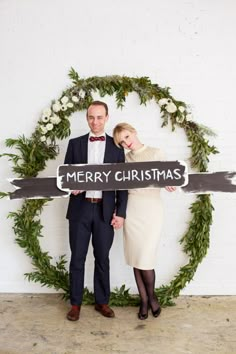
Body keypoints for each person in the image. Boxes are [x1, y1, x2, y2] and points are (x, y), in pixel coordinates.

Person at [64, 101, 128, 321]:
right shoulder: (74, 144)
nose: (96, 121)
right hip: (80, 210)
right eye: (92, 117)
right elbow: (66, 178)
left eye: (100, 117)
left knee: (102, 258)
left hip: (105, 212)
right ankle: (75, 304)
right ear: (86, 118)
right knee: (77, 259)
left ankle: (102, 302)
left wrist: (121, 213)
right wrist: (70, 189)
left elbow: (123, 185)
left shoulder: (117, 147)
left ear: (107, 118)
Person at [113, 122, 176, 320]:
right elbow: (119, 188)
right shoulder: (123, 161)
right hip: (132, 210)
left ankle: (152, 297)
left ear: (134, 132)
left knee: (146, 258)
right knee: (136, 258)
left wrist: (169, 183)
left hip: (151, 209)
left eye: (127, 137)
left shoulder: (157, 153)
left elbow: (167, 176)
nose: (126, 143)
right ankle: (144, 300)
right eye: (121, 142)